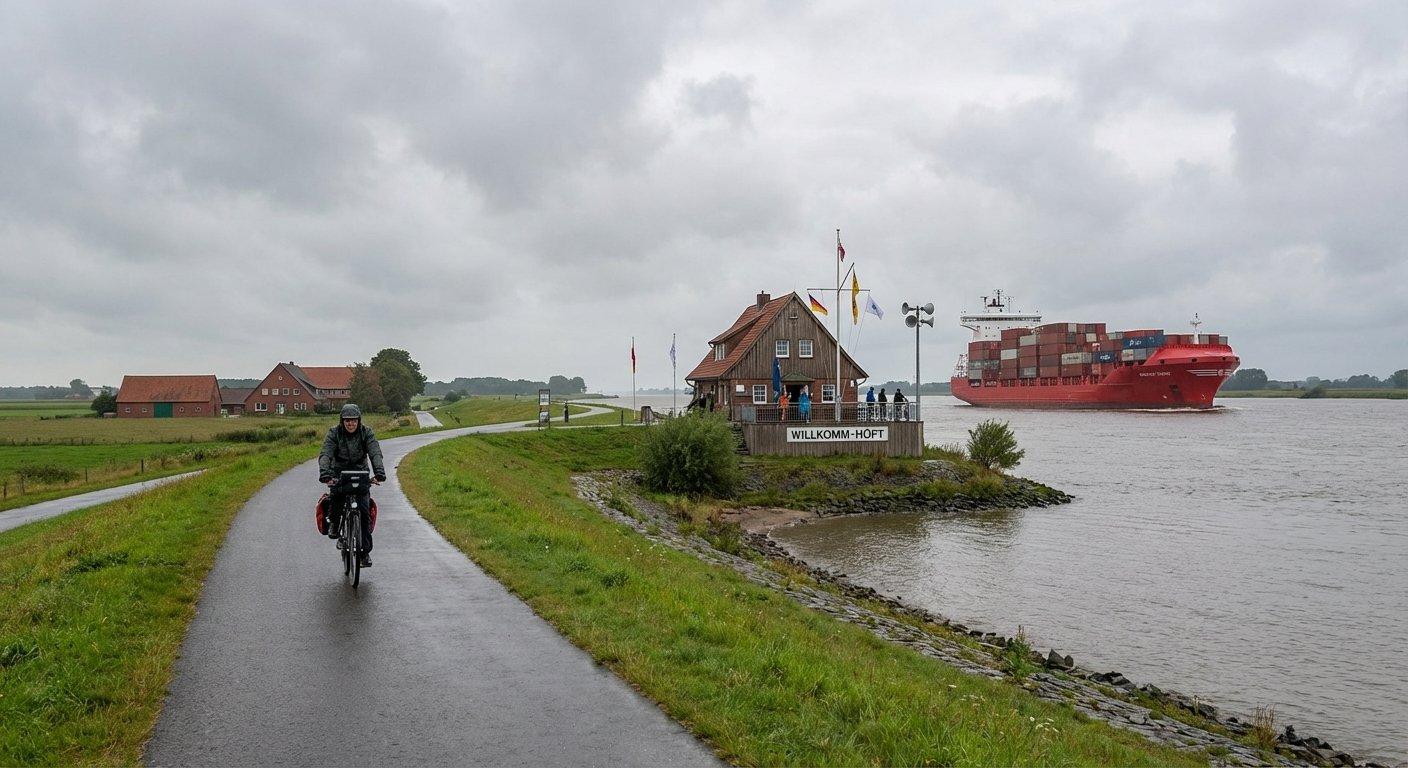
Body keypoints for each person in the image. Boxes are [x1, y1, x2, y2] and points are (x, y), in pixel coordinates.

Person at [318, 404, 386, 568]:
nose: (350, 424)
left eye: (354, 421)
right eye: (347, 421)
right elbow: (325, 454)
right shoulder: (334, 433)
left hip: (361, 473)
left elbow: (374, 452)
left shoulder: (366, 432)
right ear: (342, 421)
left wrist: (379, 472)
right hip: (338, 472)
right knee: (336, 501)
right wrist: (325, 474)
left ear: (359, 421)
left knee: (364, 513)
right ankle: (334, 524)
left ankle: (364, 554)